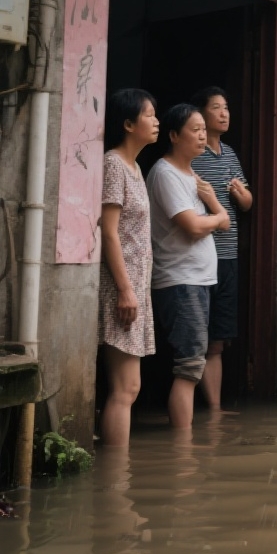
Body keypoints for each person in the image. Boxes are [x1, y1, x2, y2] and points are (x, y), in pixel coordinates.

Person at [146, 104, 230, 429]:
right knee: (189, 367)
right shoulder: (166, 173)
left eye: (203, 130)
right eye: (195, 129)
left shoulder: (191, 174)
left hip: (197, 281)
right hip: (181, 281)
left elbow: (219, 222)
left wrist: (214, 210)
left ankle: (184, 448)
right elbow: (193, 227)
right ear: (173, 135)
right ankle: (183, 453)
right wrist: (217, 217)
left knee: (191, 364)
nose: (202, 135)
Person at [98, 89, 160, 446]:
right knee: (126, 388)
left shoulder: (135, 167)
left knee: (129, 388)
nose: (155, 121)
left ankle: (115, 477)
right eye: (149, 115)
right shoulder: (113, 164)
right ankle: (114, 480)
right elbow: (108, 232)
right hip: (121, 288)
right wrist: (124, 289)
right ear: (127, 123)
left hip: (135, 288)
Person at [190, 87, 253, 409]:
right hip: (199, 257)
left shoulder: (229, 154)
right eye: (217, 107)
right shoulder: (191, 156)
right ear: (201, 114)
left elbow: (247, 203)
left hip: (227, 257)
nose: (225, 113)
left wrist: (241, 194)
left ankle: (214, 412)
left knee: (217, 341)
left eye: (226, 107)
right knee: (195, 338)